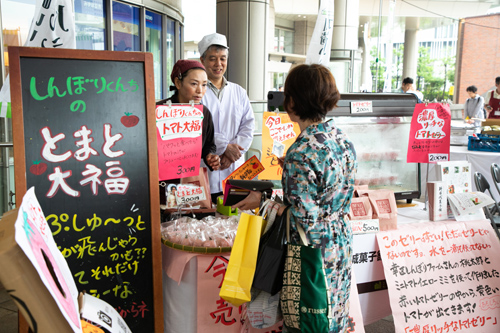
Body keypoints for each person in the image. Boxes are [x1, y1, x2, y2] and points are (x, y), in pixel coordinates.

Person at [233, 64, 357, 332]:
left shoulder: (300, 150)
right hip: (339, 239)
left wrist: (264, 201)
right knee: (331, 317)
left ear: (293, 101)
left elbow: (304, 216)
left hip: (313, 250)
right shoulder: (341, 138)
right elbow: (327, 193)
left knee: (309, 319)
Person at [198, 33, 255, 203]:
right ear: (202, 61)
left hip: (235, 170)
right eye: (212, 58)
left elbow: (248, 125)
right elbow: (195, 128)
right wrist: (223, 147)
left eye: (223, 58)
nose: (218, 64)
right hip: (205, 170)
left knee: (233, 223)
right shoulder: (195, 92)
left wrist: (233, 153)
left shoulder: (239, 91)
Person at [156, 60, 220, 207]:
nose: (200, 90)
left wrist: (210, 157)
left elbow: (209, 146)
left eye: (204, 85)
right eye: (194, 84)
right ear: (178, 83)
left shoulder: (204, 113)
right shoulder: (158, 111)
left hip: (190, 184)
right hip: (160, 185)